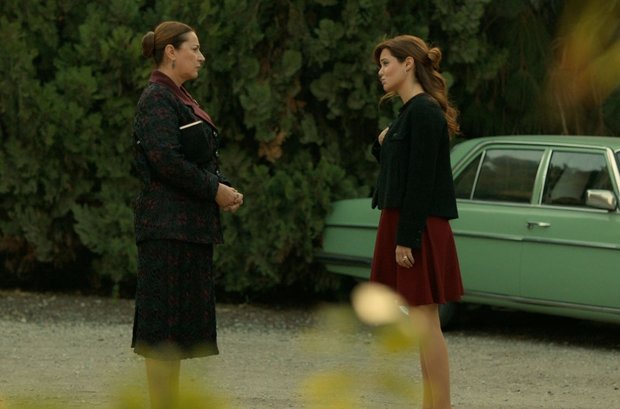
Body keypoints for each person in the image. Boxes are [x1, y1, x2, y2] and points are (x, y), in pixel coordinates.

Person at [131, 21, 243, 409]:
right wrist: (214, 190)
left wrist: (222, 187)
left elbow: (196, 159)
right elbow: (166, 161)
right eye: (194, 49)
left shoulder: (179, 96)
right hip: (166, 230)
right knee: (162, 333)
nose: (201, 56)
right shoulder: (156, 98)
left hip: (188, 230)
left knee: (176, 333)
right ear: (170, 52)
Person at [369, 35, 464, 409]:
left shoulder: (423, 111)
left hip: (418, 226)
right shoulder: (409, 113)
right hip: (407, 222)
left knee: (426, 324)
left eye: (386, 63)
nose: (381, 72)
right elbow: (398, 167)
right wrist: (384, 140)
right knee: (421, 324)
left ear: (408, 64)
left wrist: (406, 238)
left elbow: (421, 181)